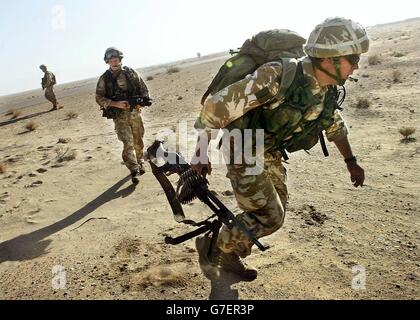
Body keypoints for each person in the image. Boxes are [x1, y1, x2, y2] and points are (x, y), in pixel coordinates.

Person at [192, 17, 369, 281]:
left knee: (276, 208)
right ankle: (216, 244)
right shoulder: (278, 75)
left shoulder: (326, 90)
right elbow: (215, 108)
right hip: (242, 147)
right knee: (270, 216)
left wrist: (351, 161)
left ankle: (229, 248)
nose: (356, 66)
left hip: (269, 150)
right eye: (352, 58)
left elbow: (334, 125)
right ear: (330, 58)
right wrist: (200, 152)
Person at [95, 47, 150, 184]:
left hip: (134, 113)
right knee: (127, 142)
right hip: (119, 116)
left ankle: (140, 160)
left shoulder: (130, 73)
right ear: (107, 62)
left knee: (138, 139)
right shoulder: (104, 78)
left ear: (120, 59)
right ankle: (133, 168)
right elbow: (99, 97)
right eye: (111, 60)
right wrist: (115, 104)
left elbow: (143, 89)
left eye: (116, 59)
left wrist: (140, 103)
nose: (114, 62)